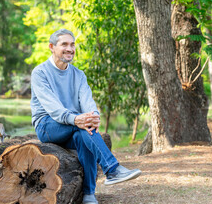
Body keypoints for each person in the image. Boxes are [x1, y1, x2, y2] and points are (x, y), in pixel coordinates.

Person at [30, 29, 141, 204]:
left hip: (74, 125)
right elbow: (53, 109)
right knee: (82, 127)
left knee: (84, 135)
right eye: (64, 44)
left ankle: (89, 194)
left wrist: (94, 116)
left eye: (72, 44)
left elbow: (87, 101)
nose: (70, 48)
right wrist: (77, 119)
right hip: (47, 126)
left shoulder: (78, 75)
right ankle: (112, 169)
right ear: (51, 47)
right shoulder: (40, 73)